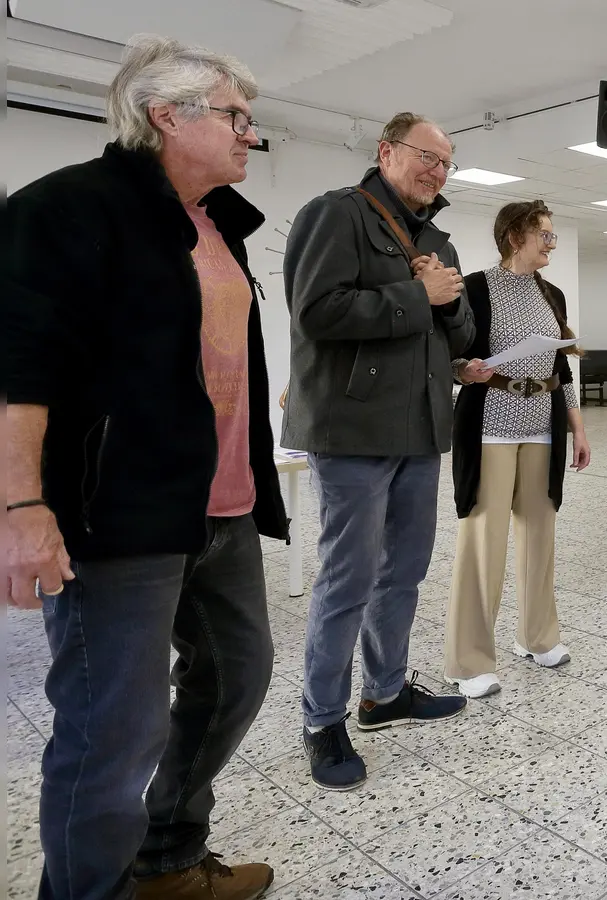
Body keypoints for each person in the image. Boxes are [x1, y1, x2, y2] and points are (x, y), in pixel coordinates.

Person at [1, 35, 286, 899]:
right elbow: (21, 366)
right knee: (110, 731)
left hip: (221, 504)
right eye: (237, 115)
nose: (251, 134)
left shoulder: (217, 224)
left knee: (238, 673)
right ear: (168, 115)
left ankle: (164, 857)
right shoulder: (67, 208)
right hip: (118, 511)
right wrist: (21, 506)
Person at [281, 112, 474, 791]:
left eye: (446, 163)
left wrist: (446, 301)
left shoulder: (438, 237)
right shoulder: (337, 215)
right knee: (348, 578)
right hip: (354, 430)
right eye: (427, 157)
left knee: (405, 571)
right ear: (387, 152)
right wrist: (414, 293)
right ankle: (321, 719)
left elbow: (459, 330)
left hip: (420, 429)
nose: (437, 172)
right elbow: (315, 311)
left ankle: (385, 692)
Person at [445, 201, 592, 698]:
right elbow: (452, 357)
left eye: (553, 235)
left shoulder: (552, 294)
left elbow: (562, 367)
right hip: (490, 423)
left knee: (539, 534)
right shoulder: (475, 287)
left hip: (541, 424)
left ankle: (537, 636)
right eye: (544, 235)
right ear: (514, 237)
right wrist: (465, 369)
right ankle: (468, 660)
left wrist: (578, 427)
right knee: (485, 540)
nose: (551, 243)